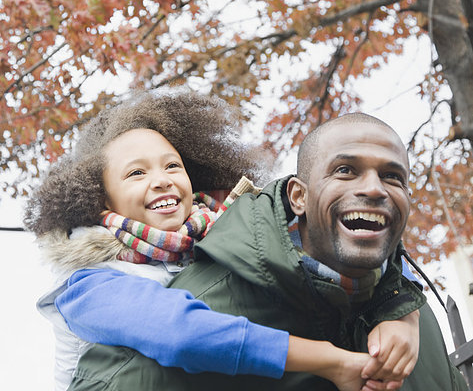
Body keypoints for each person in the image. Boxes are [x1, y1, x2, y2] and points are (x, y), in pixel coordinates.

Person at [26, 90, 419, 391]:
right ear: (101, 200)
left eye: (172, 165)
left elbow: (345, 236)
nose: (161, 179)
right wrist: (329, 361)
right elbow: (182, 332)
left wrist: (402, 314)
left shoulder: (221, 232)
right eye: (136, 174)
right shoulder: (88, 287)